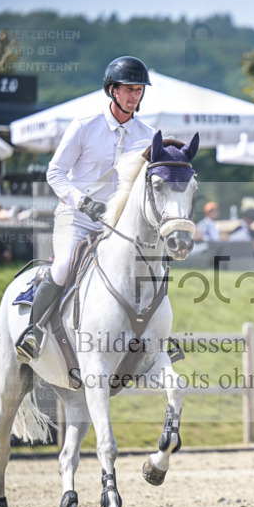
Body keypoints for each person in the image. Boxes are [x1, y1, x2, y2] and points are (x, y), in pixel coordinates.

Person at [16, 56, 156, 363]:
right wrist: (81, 201)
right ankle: (34, 329)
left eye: (139, 90)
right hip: (76, 217)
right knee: (65, 265)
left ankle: (159, 339)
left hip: (118, 224)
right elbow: (54, 173)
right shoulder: (84, 126)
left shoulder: (148, 136)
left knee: (150, 270)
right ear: (112, 90)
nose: (135, 96)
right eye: (129, 89)